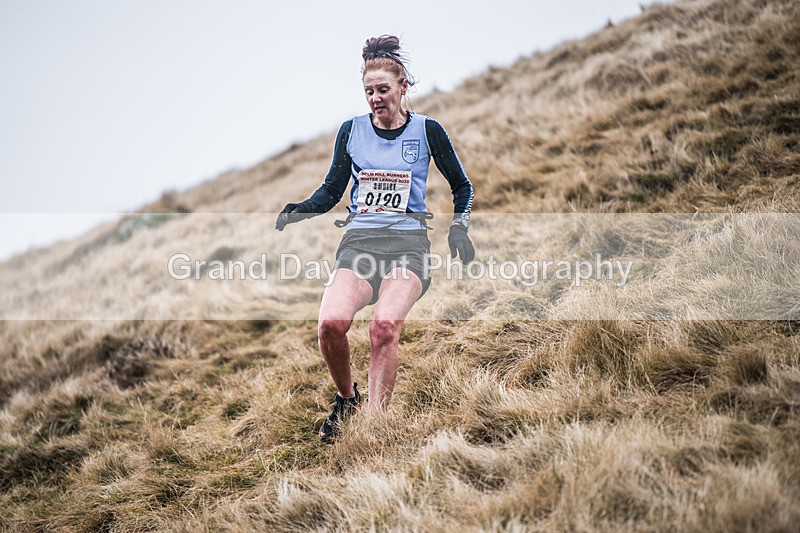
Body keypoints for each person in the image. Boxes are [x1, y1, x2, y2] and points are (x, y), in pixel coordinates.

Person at [275, 35, 474, 443]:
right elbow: (331, 192)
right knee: (331, 325)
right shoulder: (351, 132)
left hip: (408, 249)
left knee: (383, 328)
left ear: (403, 88)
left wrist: (459, 227)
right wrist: (300, 209)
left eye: (383, 90)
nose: (375, 98)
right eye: (368, 91)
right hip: (360, 246)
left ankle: (375, 424)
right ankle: (348, 399)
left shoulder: (427, 131)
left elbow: (462, 186)